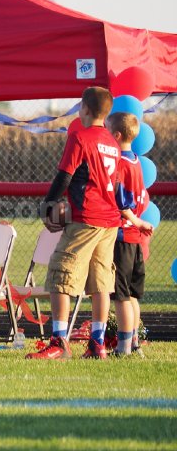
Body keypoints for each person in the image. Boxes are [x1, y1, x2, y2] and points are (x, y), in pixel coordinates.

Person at [27, 86, 121, 360]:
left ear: (85, 109)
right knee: (101, 282)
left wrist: (47, 205)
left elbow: (65, 175)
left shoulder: (80, 137)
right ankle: (97, 344)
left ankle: (59, 341)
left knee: (60, 274)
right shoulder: (112, 142)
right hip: (109, 220)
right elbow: (113, 184)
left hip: (86, 218)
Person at [109, 112, 153, 357]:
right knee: (133, 296)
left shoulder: (119, 163)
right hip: (135, 238)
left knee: (122, 296)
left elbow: (122, 202)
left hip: (123, 235)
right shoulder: (136, 161)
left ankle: (123, 347)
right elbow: (141, 198)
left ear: (116, 136)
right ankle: (135, 343)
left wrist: (136, 220)